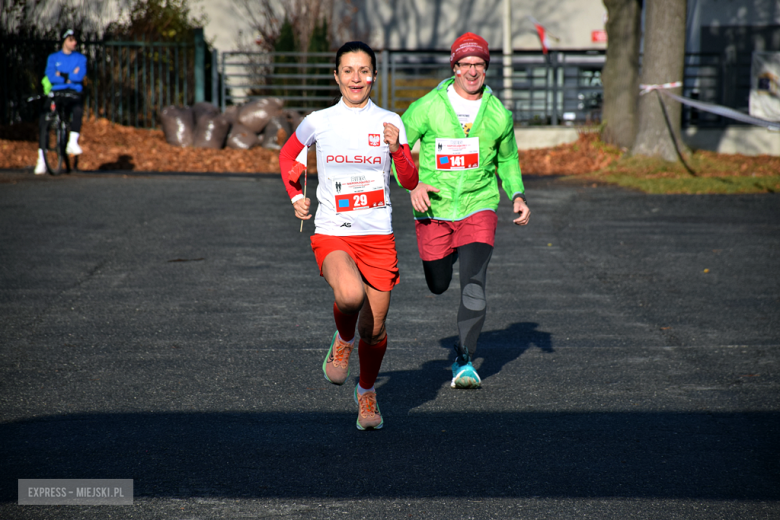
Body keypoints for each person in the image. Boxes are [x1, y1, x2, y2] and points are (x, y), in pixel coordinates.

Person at [278, 41, 419, 430]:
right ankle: (342, 343)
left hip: (378, 236)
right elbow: (287, 157)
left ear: (374, 75)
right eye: (348, 70)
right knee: (350, 295)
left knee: (374, 329)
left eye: (363, 70)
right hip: (333, 232)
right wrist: (295, 196)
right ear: (336, 76)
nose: (356, 78)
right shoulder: (318, 120)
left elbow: (409, 180)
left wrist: (398, 150)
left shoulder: (391, 121)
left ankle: (367, 392)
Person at [399, 32, 531, 389]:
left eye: (479, 65)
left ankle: (464, 358)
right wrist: (413, 184)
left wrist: (516, 194)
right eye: (466, 64)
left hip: (478, 205)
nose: (473, 71)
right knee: (439, 284)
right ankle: (448, 254)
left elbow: (508, 159)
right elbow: (397, 147)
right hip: (435, 208)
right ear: (454, 68)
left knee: (474, 285)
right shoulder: (428, 106)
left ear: (486, 69)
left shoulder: (499, 114)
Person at [35, 29, 87, 175]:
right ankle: (41, 159)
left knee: (77, 109)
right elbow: (51, 76)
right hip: (57, 92)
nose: (74, 42)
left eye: (75, 40)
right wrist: (69, 76)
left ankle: (72, 142)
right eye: (71, 39)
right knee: (44, 119)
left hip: (73, 91)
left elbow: (79, 76)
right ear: (64, 41)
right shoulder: (53, 57)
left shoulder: (80, 58)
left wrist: (61, 74)